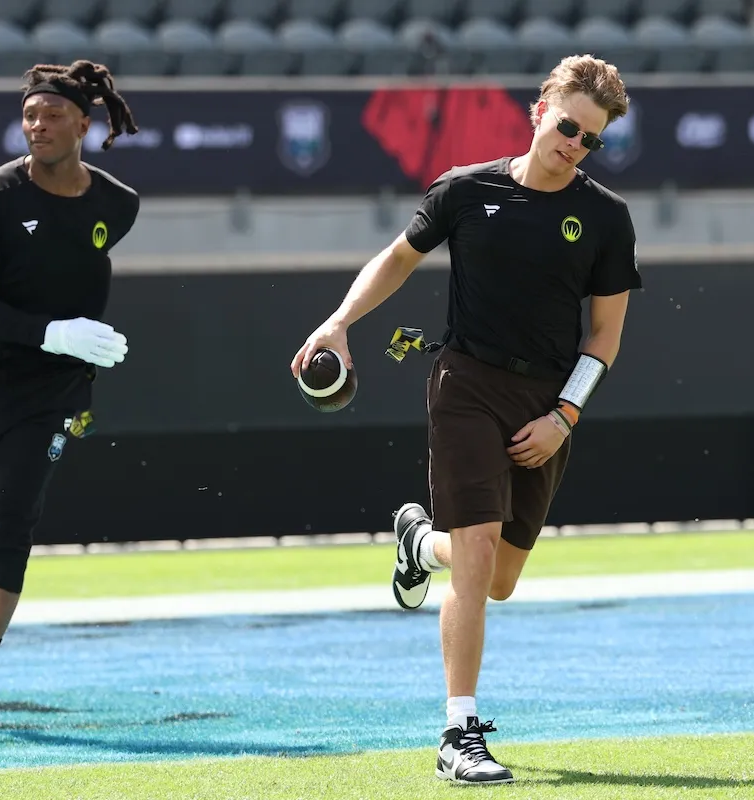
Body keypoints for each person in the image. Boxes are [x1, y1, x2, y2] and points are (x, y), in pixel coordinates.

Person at [291, 54, 640, 785]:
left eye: (592, 139)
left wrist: (565, 416)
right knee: (477, 559)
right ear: (539, 108)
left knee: (500, 578)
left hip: (546, 403)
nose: (575, 143)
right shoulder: (464, 189)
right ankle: (459, 733)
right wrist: (338, 323)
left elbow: (603, 335)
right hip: (466, 384)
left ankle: (419, 541)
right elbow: (396, 259)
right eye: (568, 125)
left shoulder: (606, 217)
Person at [0, 60, 142, 736]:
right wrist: (53, 329)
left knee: (9, 517)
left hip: (54, 391)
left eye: (50, 115)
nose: (36, 126)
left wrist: (73, 343)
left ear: (83, 122)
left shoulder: (117, 204)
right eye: (29, 116)